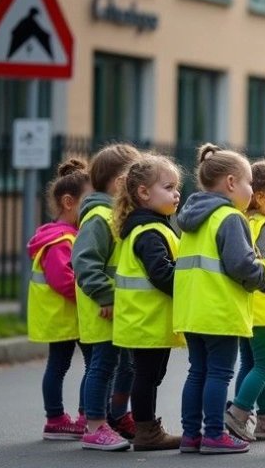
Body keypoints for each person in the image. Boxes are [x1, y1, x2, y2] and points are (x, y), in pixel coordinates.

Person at [174, 144, 265, 455]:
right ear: (231, 183)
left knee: (197, 371)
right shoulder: (230, 217)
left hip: (191, 309)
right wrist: (263, 280)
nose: (250, 191)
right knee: (219, 373)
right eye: (248, 184)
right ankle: (215, 433)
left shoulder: (190, 217)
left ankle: (191, 435)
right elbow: (241, 264)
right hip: (219, 310)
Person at [111, 154, 185, 451]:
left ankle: (146, 425)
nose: (176, 193)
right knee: (147, 376)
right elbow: (161, 274)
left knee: (150, 375)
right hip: (147, 319)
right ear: (144, 193)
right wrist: (190, 287)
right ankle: (146, 430)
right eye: (168, 187)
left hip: (147, 319)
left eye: (177, 187)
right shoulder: (150, 232)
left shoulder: (153, 227)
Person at [72, 143, 142, 451]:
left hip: (117, 307)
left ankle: (116, 416)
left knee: (124, 365)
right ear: (118, 183)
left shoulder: (116, 215)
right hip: (104, 308)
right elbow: (85, 263)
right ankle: (95, 425)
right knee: (102, 365)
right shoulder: (99, 217)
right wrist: (106, 296)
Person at [27, 158, 92, 441]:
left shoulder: (68, 236)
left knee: (76, 364)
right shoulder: (60, 240)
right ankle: (61, 418)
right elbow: (63, 280)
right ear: (68, 202)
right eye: (88, 201)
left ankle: (79, 415)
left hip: (67, 315)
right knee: (70, 365)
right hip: (67, 315)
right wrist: (92, 294)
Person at [225, 159, 265, 442]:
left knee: (252, 364)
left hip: (248, 308)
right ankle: (239, 413)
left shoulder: (245, 222)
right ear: (261, 197)